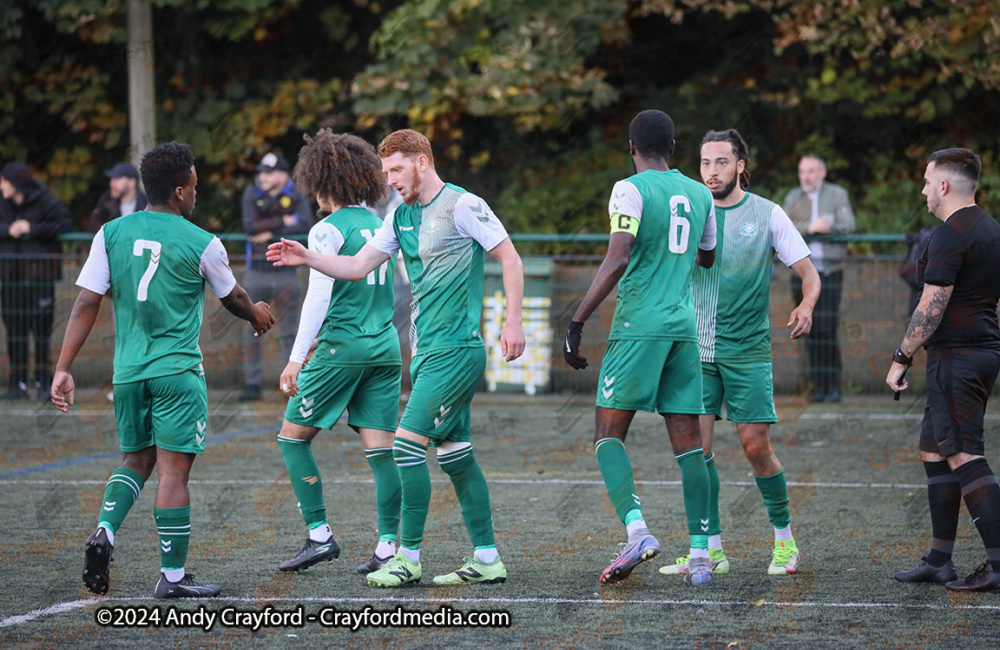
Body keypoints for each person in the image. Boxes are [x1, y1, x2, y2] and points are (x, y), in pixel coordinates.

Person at [268, 128, 526, 587]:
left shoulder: (463, 205)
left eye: (396, 169)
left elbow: (509, 258)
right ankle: (487, 558)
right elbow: (354, 267)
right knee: (456, 455)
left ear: (422, 161)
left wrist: (512, 322)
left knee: (406, 446)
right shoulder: (399, 217)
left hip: (456, 350)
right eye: (385, 171)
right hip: (422, 352)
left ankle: (406, 557)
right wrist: (308, 257)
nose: (389, 180)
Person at [51, 142, 274, 599]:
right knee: (173, 473)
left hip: (128, 373)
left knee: (136, 459)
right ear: (178, 190)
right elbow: (232, 298)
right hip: (177, 372)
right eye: (194, 182)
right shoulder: (202, 241)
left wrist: (63, 368)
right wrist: (258, 315)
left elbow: (86, 302)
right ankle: (172, 578)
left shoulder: (110, 233)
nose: (198, 189)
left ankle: (105, 534)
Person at [562, 110, 718, 586]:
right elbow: (707, 256)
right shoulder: (700, 193)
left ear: (632, 148)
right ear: (673, 147)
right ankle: (700, 559)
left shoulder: (629, 189)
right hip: (684, 326)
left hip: (639, 325)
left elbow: (618, 255)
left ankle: (637, 531)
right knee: (689, 444)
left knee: (608, 433)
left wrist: (577, 318)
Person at [659, 129, 820, 580]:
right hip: (696, 352)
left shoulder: (768, 214)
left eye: (722, 162)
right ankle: (710, 550)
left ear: (740, 165)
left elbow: (809, 273)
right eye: (706, 163)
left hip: (747, 350)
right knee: (699, 451)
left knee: (755, 448)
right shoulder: (688, 214)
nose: (712, 172)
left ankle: (786, 542)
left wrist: (806, 305)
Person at [273, 129, 402, 575]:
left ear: (321, 181)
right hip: (385, 347)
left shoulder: (326, 229)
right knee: (381, 450)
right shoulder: (383, 223)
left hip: (342, 348)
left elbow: (319, 296)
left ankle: (320, 536)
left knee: (292, 439)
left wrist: (295, 356)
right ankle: (389, 546)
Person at [887, 147, 1000, 592]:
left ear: (945, 185)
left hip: (956, 357)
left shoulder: (949, 235)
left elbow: (931, 308)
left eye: (927, 181)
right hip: (977, 353)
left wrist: (901, 356)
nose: (924, 189)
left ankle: (997, 563)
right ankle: (939, 560)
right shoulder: (992, 229)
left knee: (964, 454)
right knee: (935, 451)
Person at [239, 152, 315, 401]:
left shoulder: (296, 194)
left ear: (283, 175)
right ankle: (252, 384)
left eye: (269, 172)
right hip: (257, 269)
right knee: (251, 330)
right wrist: (283, 221)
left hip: (286, 273)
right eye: (261, 172)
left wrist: (268, 226)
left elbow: (305, 224)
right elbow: (250, 226)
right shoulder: (251, 193)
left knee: (290, 331)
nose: (263, 177)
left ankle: (289, 383)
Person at [783, 155, 855, 402]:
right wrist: (809, 228)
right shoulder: (793, 198)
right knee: (808, 330)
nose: (806, 177)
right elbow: (784, 229)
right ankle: (818, 389)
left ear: (822, 173)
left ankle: (833, 389)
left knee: (827, 330)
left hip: (830, 272)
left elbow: (849, 224)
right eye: (802, 171)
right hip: (802, 275)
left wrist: (829, 226)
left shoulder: (837, 194)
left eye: (811, 171)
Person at [0, 161, 73, 401]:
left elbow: (64, 223)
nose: (1, 186)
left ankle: (44, 383)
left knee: (41, 332)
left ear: (17, 183)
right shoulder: (3, 204)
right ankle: (17, 384)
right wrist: (8, 229)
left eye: (5, 181)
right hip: (11, 278)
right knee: (15, 331)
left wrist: (32, 228)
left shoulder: (44, 200)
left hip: (40, 278)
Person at [86, 162, 148, 231]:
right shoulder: (108, 199)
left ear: (132, 182)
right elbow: (93, 222)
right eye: (112, 179)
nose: (112, 183)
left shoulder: (146, 203)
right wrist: (111, 233)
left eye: (117, 178)